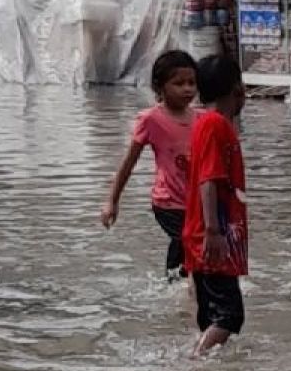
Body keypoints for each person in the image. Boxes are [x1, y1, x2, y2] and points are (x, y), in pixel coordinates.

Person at [101, 50, 199, 281]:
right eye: (179, 83)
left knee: (191, 243)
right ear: (160, 87)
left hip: (194, 202)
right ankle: (176, 285)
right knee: (185, 239)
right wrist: (112, 201)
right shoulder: (150, 119)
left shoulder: (201, 119)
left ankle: (178, 285)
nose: (187, 89)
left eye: (192, 83)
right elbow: (129, 162)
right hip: (167, 201)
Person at [182, 56, 248, 355]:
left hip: (209, 234)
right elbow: (208, 179)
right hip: (213, 236)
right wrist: (213, 230)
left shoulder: (207, 124)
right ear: (238, 89)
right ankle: (196, 361)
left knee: (212, 315)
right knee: (230, 315)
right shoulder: (214, 125)